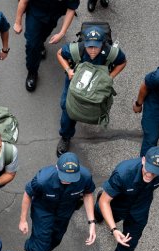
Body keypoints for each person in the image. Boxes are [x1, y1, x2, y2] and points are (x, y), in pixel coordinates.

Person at [55, 25, 127, 155]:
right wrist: (68, 70)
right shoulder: (78, 49)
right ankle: (66, 136)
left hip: (98, 81)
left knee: (95, 103)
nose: (93, 51)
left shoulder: (111, 52)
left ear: (103, 44)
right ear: (85, 43)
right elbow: (60, 53)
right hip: (77, 80)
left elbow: (122, 62)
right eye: (90, 46)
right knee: (66, 106)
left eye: (96, 47)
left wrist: (109, 77)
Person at [19, 153, 96, 251]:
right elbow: (28, 194)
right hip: (43, 211)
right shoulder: (43, 180)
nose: (67, 181)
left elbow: (88, 194)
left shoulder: (85, 177)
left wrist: (92, 222)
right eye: (64, 176)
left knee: (56, 239)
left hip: (65, 212)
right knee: (40, 243)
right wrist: (23, 220)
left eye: (71, 177)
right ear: (57, 167)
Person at [13, 0, 79, 92]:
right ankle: (32, 72)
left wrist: (62, 33)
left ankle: (40, 44)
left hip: (53, 15)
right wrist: (17, 22)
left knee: (43, 35)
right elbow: (24, 1)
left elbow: (71, 9)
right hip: (35, 13)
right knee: (32, 44)